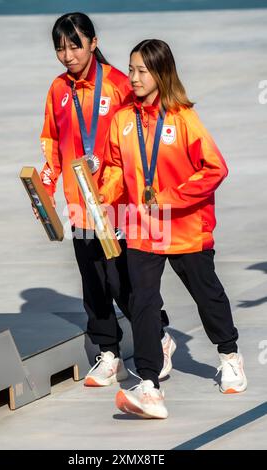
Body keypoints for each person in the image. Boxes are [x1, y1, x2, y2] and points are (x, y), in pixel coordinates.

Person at [100, 39, 247, 419]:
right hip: (142, 227)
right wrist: (104, 194)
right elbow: (116, 167)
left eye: (141, 71)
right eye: (130, 69)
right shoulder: (122, 120)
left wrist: (171, 197)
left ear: (161, 73)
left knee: (207, 294)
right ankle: (149, 385)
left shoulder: (183, 118)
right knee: (143, 302)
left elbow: (215, 168)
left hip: (185, 226)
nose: (132, 78)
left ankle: (229, 354)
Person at [33, 14, 172, 388]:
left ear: (94, 43)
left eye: (75, 45)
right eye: (60, 47)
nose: (67, 55)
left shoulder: (119, 84)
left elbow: (143, 139)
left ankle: (158, 336)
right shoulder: (58, 90)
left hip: (119, 202)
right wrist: (45, 189)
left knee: (122, 279)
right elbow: (52, 146)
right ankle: (109, 352)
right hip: (81, 203)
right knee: (92, 281)